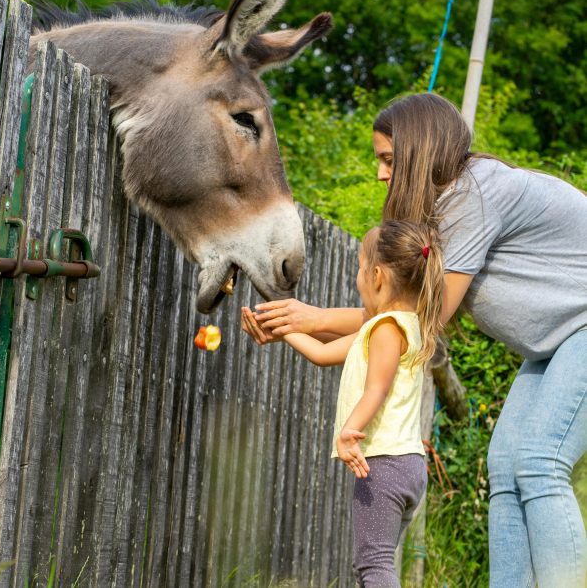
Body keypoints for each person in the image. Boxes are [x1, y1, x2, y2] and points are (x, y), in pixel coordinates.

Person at [243, 93, 587, 588]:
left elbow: (422, 318)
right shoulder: (448, 206)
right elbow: (395, 321)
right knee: (507, 465)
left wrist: (312, 318)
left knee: (538, 461)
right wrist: (298, 324)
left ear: (419, 150)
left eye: (388, 159)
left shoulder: (475, 195)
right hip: (554, 342)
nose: (382, 174)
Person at [243, 219, 445, 587]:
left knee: (374, 567)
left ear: (378, 276)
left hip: (384, 464)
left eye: (359, 267)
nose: (357, 277)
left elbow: (376, 389)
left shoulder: (386, 329)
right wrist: (282, 329)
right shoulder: (400, 326)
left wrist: (349, 432)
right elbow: (321, 352)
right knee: (375, 564)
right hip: (406, 465)